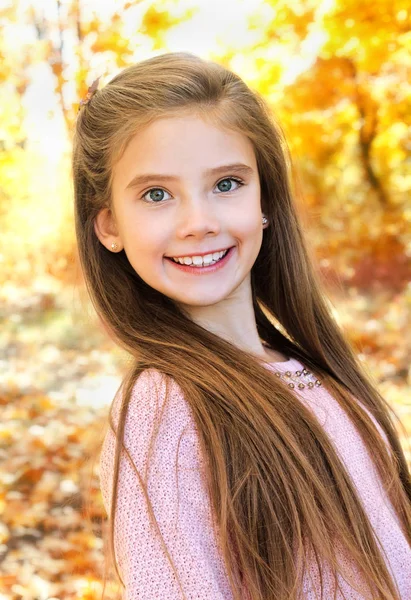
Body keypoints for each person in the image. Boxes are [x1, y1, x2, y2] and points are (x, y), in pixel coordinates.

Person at [72, 52, 411, 600]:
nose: (198, 223)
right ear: (109, 224)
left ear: (265, 200)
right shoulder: (165, 413)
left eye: (226, 184)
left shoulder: (314, 371)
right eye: (156, 195)